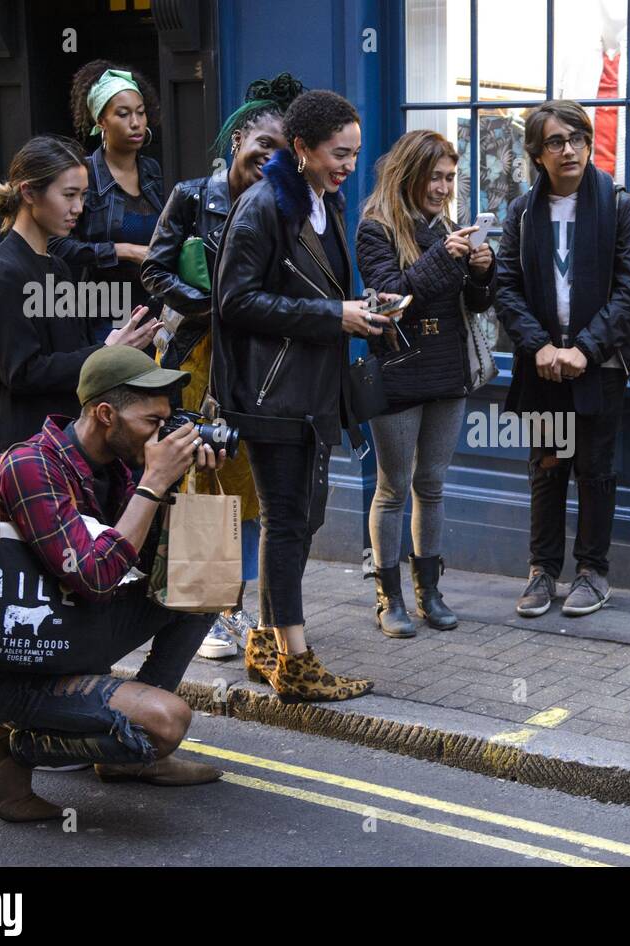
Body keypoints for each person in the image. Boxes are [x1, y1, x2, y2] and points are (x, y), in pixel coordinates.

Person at [0, 346, 226, 823]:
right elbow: (95, 577)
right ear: (106, 414)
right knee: (167, 721)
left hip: (75, 636)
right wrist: (151, 484)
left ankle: (125, 751)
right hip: (22, 669)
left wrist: (180, 483)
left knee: (201, 583)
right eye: (153, 421)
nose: (162, 434)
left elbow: (158, 566)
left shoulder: (119, 463)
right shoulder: (32, 468)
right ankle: (7, 748)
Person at [213, 89, 399, 701]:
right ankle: (294, 660)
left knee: (293, 518)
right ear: (301, 149)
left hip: (312, 388)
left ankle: (267, 643)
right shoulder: (263, 205)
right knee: (289, 518)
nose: (348, 165)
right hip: (272, 394)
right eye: (338, 154)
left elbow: (319, 291)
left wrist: (365, 311)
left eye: (354, 154)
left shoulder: (326, 204)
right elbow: (233, 302)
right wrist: (332, 315)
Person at [141, 72, 304, 659]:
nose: (271, 158)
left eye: (283, 151)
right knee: (200, 476)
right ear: (237, 140)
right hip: (196, 358)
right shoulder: (191, 196)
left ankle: (237, 605)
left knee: (248, 484)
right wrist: (214, 307)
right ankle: (207, 615)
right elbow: (155, 271)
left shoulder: (283, 205)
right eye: (263, 144)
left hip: (257, 361)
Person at [495, 100, 630, 618]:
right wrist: (539, 344)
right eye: (556, 142)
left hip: (599, 365)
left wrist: (585, 348)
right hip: (543, 365)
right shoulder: (522, 212)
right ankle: (542, 570)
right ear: (536, 154)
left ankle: (592, 571)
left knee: (595, 468)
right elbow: (505, 286)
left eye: (577, 139)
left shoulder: (616, 205)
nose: (569, 150)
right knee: (546, 465)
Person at [356, 129, 496, 637]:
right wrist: (448, 256)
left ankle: (429, 593)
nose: (443, 188)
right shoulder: (376, 229)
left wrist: (483, 270)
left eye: (450, 178)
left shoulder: (451, 229)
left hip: (447, 371)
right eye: (435, 177)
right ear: (410, 175)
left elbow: (476, 305)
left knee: (432, 485)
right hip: (398, 370)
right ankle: (388, 598)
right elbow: (391, 298)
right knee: (392, 488)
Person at [0, 135, 160, 469]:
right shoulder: (4, 273)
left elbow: (69, 350)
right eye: (69, 195)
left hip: (63, 445)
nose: (79, 208)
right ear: (29, 192)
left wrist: (116, 348)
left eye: (84, 195)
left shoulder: (57, 265)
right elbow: (24, 373)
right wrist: (105, 352)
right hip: (25, 455)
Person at [50, 60, 165, 342]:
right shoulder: (84, 175)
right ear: (101, 120)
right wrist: (124, 250)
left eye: (140, 112)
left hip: (153, 310)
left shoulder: (151, 170)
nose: (136, 122)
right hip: (104, 313)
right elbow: (57, 246)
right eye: (123, 114)